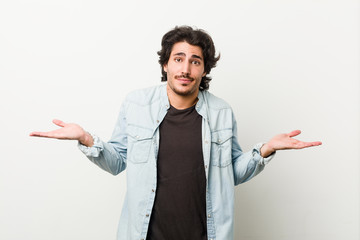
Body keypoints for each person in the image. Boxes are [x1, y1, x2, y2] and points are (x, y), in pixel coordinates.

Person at [30, 26, 322, 240]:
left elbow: (230, 173)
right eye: (178, 58)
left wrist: (265, 150)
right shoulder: (137, 104)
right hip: (146, 234)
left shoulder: (221, 112)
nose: (186, 68)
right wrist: (86, 140)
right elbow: (118, 161)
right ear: (165, 64)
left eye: (195, 61)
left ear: (204, 69)